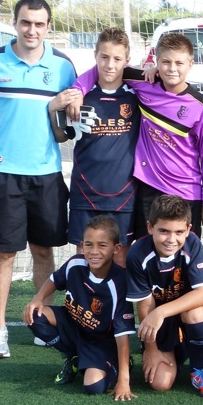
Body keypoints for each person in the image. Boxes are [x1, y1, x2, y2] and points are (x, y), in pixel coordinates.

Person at [0, 0, 78, 360]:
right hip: (3, 174)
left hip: (46, 174)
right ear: (14, 23)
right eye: (25, 22)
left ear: (48, 27)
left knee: (44, 250)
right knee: (5, 252)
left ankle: (42, 322)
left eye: (39, 24)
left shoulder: (63, 67)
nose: (32, 30)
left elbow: (68, 122)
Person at [71, 32, 203, 238]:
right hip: (148, 188)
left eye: (179, 63)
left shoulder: (201, 107)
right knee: (145, 251)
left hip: (186, 193)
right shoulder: (145, 83)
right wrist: (78, 90)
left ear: (191, 64)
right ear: (156, 62)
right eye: (165, 62)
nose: (172, 68)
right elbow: (104, 67)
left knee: (182, 252)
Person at [52, 28, 139, 268]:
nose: (110, 64)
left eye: (117, 58)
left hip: (124, 193)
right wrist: (55, 108)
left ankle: (118, 297)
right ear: (95, 56)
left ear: (127, 60)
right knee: (85, 256)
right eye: (104, 57)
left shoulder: (137, 95)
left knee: (119, 257)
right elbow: (62, 136)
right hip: (85, 191)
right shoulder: (79, 95)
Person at [23, 215, 136, 400]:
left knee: (94, 387)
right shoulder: (75, 263)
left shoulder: (120, 283)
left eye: (102, 245)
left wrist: (124, 379)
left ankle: (115, 362)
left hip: (101, 341)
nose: (94, 251)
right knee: (33, 314)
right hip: (73, 326)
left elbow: (122, 333)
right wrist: (38, 299)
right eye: (89, 245)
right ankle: (73, 355)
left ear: (116, 249)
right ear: (82, 245)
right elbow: (55, 279)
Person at [126, 194, 203, 397]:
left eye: (179, 232)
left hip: (182, 312)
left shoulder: (192, 244)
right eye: (164, 231)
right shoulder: (137, 254)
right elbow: (145, 306)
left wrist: (161, 311)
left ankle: (198, 367)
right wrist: (151, 350)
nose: (171, 239)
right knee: (160, 383)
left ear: (188, 229)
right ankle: (190, 348)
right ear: (150, 227)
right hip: (159, 320)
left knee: (195, 312)